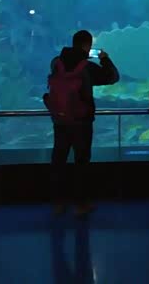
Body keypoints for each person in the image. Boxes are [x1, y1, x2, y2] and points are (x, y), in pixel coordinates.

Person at [47, 30, 119, 216]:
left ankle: (58, 203)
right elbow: (113, 77)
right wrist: (105, 59)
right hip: (82, 122)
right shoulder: (87, 67)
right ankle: (81, 205)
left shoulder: (56, 63)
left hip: (60, 119)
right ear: (87, 46)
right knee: (81, 163)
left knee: (59, 161)